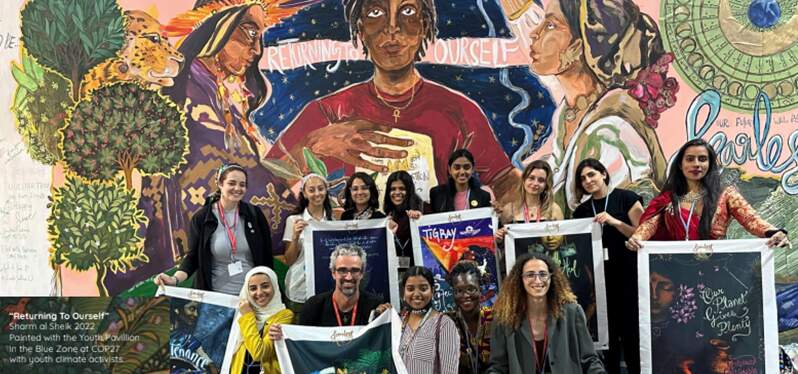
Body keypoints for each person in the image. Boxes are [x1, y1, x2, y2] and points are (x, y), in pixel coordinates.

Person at [266, 0, 522, 202]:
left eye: (407, 11)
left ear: (424, 27)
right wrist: (309, 146)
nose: (392, 27)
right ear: (360, 29)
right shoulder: (328, 111)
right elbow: (266, 185)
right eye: (376, 13)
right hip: (354, 255)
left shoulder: (458, 110)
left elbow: (506, 182)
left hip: (435, 250)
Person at [147, 1, 305, 271]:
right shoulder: (192, 89)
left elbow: (252, 158)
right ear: (218, 27)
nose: (256, 51)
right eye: (250, 33)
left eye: (260, 37)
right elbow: (237, 166)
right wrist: (305, 205)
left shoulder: (218, 89)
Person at [520, 0, 677, 212]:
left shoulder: (609, 129)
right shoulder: (566, 113)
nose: (534, 33)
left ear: (580, 44)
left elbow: (619, 212)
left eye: (551, 25)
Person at [626, 138, 790, 248]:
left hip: (717, 267)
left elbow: (751, 219)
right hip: (677, 268)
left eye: (702, 159)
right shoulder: (669, 198)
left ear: (710, 164)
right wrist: (637, 239)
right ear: (680, 165)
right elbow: (650, 225)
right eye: (690, 159)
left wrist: (775, 232)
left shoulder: (725, 194)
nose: (696, 164)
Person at [571, 158, 644, 373]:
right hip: (598, 281)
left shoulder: (626, 198)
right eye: (583, 178)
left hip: (628, 276)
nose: (587, 181)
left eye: (591, 174)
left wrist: (614, 222)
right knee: (606, 338)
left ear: (603, 174)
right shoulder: (581, 211)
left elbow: (643, 234)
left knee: (632, 335)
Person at [154, 164, 273, 293]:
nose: (237, 188)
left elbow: (266, 256)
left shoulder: (254, 215)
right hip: (216, 297)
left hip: (253, 295)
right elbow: (193, 257)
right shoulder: (202, 218)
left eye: (242, 184)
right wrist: (174, 279)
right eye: (231, 183)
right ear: (220, 184)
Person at [488, 252, 605, 373]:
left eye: (543, 274)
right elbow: (498, 367)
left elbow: (589, 359)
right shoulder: (504, 319)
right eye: (530, 275)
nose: (537, 280)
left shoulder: (573, 312)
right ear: (520, 279)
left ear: (551, 278)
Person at [297, 243, 391, 326]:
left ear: (362, 273)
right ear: (333, 273)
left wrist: (388, 319)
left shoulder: (375, 306)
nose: (349, 277)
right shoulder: (313, 307)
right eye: (342, 270)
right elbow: (298, 341)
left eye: (355, 270)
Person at [282, 174, 334, 314]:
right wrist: (295, 237)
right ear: (304, 194)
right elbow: (289, 260)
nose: (317, 193)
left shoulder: (333, 222)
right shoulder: (294, 220)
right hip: (299, 288)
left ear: (326, 190)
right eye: (311, 190)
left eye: (320, 189)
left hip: (327, 289)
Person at [228, 266, 293, 374]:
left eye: (265, 286)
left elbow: (259, 353)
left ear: (275, 286)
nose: (259, 292)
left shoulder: (284, 316)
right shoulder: (240, 313)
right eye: (253, 288)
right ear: (247, 291)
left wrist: (247, 316)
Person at [399, 266, 460, 374]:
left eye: (423, 288)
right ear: (403, 291)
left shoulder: (444, 325)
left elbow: (449, 371)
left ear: (432, 290)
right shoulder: (399, 322)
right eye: (410, 289)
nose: (416, 294)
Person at [494, 160, 564, 243]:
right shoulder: (509, 209)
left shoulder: (554, 209)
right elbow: (502, 242)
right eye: (531, 178)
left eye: (541, 180)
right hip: (518, 256)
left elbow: (562, 241)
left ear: (546, 185)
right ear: (523, 180)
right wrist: (499, 237)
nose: (535, 183)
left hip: (545, 256)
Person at [446, 261, 493, 374]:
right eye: (459, 291)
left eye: (471, 289)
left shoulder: (495, 319)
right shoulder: (447, 323)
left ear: (480, 290)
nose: (465, 295)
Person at [383, 171, 426, 270]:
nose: (397, 193)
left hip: (419, 271)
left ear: (409, 190)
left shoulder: (422, 210)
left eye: (402, 189)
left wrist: (421, 221)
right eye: (393, 189)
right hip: (395, 272)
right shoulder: (388, 215)